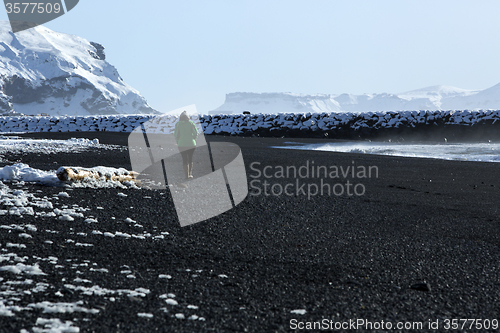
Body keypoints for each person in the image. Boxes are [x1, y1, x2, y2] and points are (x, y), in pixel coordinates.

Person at [174, 111, 199, 179]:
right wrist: (192, 139)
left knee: (184, 159)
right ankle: (190, 174)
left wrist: (178, 141)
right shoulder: (191, 123)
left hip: (181, 144)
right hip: (191, 144)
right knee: (190, 159)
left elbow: (176, 135)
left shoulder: (178, 124)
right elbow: (196, 133)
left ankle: (186, 175)